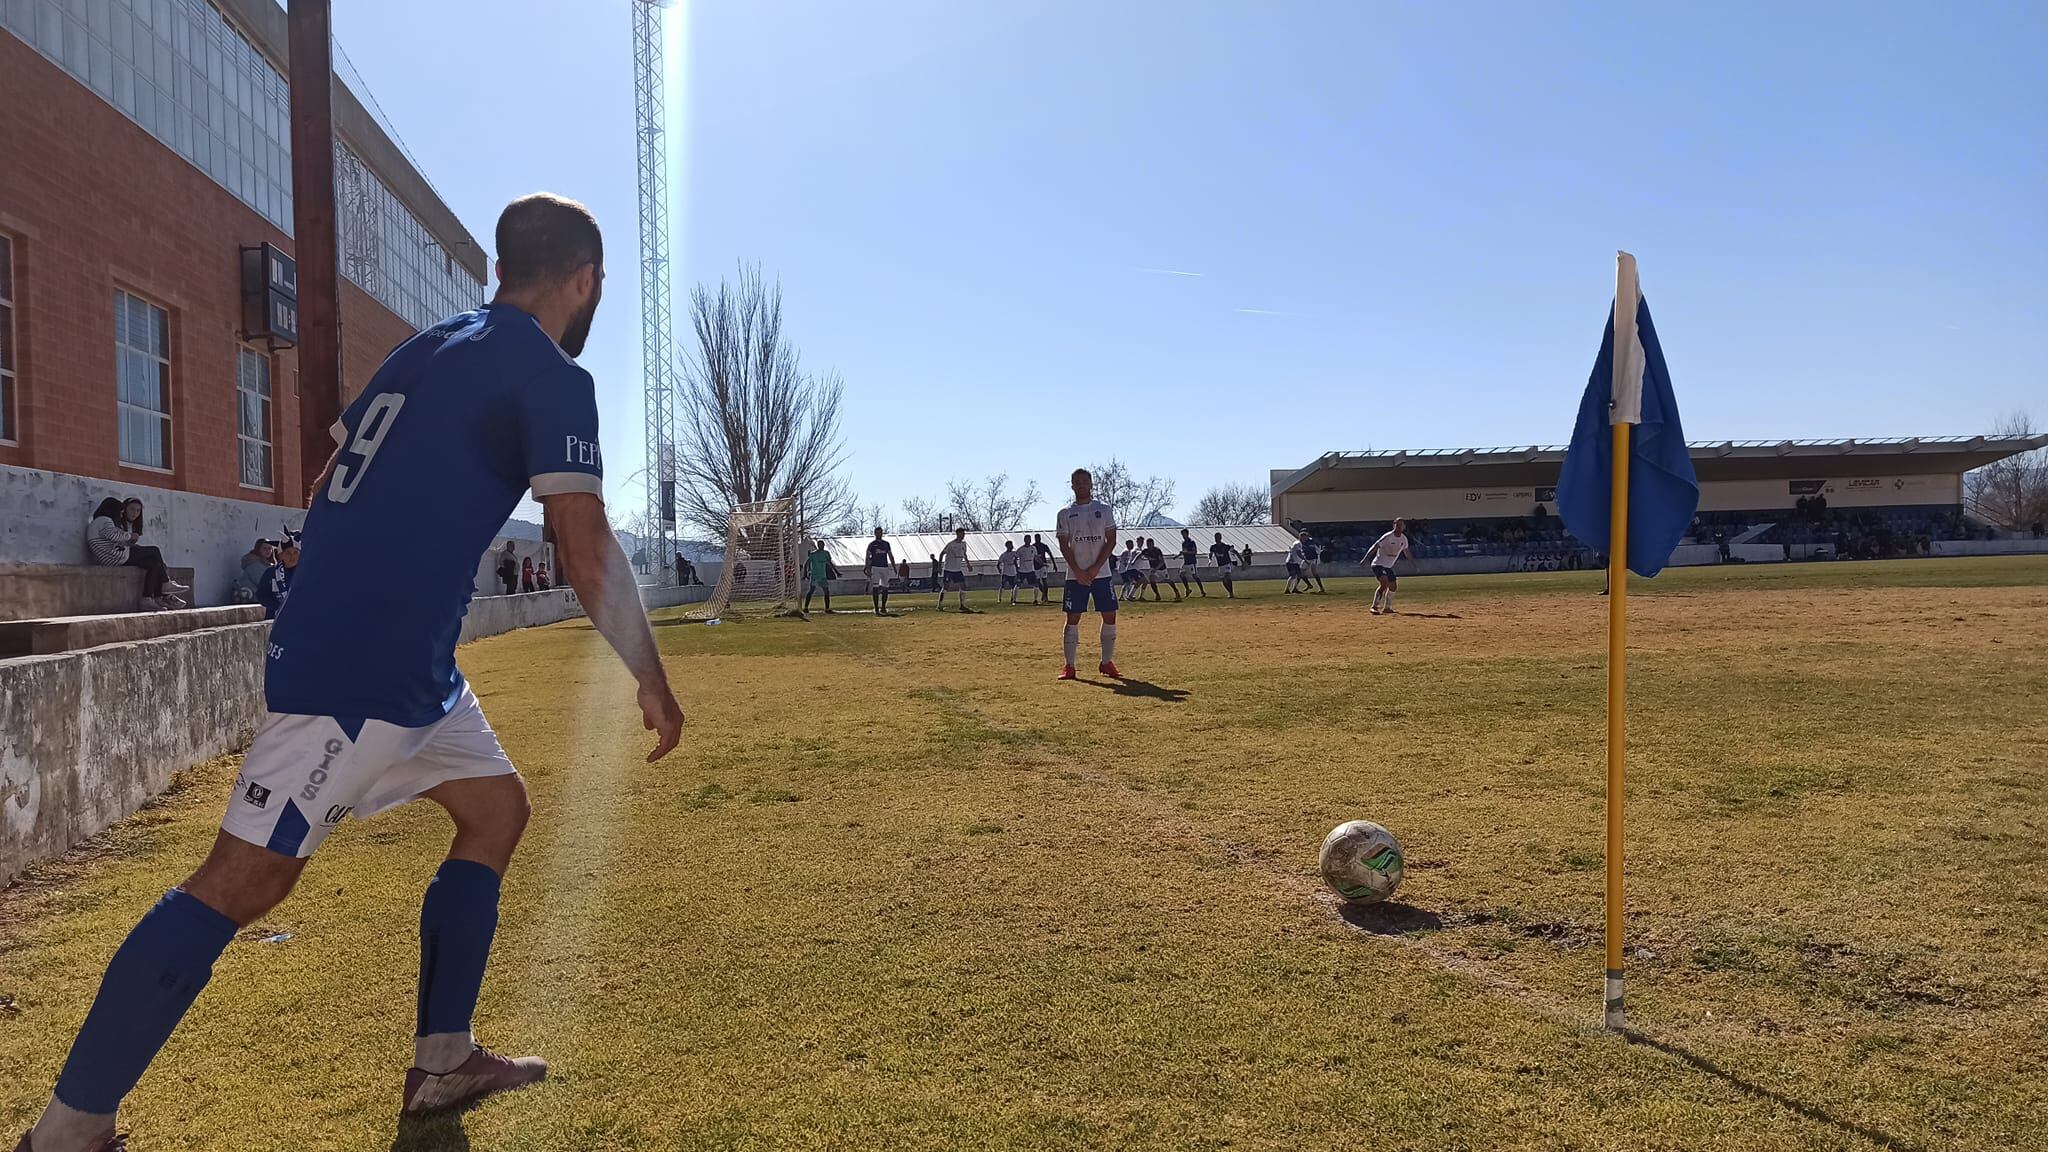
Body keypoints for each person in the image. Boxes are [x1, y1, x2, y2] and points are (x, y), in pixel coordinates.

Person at [16, 194, 686, 1152]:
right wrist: (650, 676)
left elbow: (327, 483)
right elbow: (584, 550)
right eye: (597, 289)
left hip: (409, 664)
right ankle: (66, 1135)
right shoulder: (548, 375)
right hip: (362, 669)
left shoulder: (426, 349)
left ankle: (443, 1059)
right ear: (586, 282)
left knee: (496, 811)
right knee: (239, 883)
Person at [1054, 468, 1119, 680]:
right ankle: (1069, 666)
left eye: (1084, 481)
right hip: (1076, 576)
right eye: (1077, 482)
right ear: (1072, 485)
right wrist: (1078, 571)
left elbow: (1111, 540)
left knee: (1110, 615)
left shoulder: (1104, 509)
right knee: (1073, 618)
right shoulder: (1064, 513)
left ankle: (1106, 662)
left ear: (1091, 484)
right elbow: (1064, 545)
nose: (1081, 485)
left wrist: (1095, 567)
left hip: (1102, 573)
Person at [86, 497, 188, 611]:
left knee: (154, 564)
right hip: (116, 556)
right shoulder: (104, 520)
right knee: (154, 550)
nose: (121, 516)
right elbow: (114, 535)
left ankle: (148, 599)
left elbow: (113, 537)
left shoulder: (99, 522)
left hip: (113, 556)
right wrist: (130, 536)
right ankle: (165, 585)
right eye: (120, 513)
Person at [1365, 518, 1414, 615]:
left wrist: (1412, 562)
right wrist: (1365, 558)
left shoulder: (1404, 539)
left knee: (1393, 587)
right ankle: (1374, 606)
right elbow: (1375, 546)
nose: (1399, 527)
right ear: (1394, 525)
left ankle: (1387, 607)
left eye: (1401, 525)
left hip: (1388, 566)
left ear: (1404, 527)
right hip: (1378, 564)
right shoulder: (1388, 537)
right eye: (1397, 525)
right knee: (1384, 583)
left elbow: (1406, 551)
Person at [937, 528, 971, 611]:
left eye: (964, 533)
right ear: (957, 534)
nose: (963, 535)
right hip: (949, 569)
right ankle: (939, 605)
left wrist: (968, 564)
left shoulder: (964, 544)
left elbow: (964, 554)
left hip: (957, 570)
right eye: (962, 533)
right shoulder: (951, 544)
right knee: (946, 587)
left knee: (963, 586)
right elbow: (941, 554)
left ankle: (962, 605)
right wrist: (939, 566)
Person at [233, 538, 276, 604]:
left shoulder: (269, 564)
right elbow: (262, 582)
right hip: (252, 596)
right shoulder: (254, 564)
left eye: (270, 548)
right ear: (258, 549)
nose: (268, 551)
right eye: (264, 548)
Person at [864, 528, 895, 615]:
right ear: (875, 533)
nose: (879, 534)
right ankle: (876, 608)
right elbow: (867, 556)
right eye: (877, 532)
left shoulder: (886, 544)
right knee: (875, 587)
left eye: (880, 532)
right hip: (875, 567)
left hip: (884, 567)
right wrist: (867, 568)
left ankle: (884, 607)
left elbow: (890, 555)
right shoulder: (872, 545)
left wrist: (894, 566)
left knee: (885, 587)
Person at [802, 539, 838, 614]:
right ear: (818, 546)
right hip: (815, 575)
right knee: (811, 591)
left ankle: (827, 608)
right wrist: (805, 574)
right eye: (819, 545)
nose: (821, 546)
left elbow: (830, 563)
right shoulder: (813, 554)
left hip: (822, 576)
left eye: (822, 544)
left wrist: (836, 572)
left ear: (824, 545)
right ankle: (805, 607)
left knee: (826, 591)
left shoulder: (826, 553)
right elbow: (807, 563)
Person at [1143, 537, 1178, 602]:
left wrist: (1156, 569)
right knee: (1151, 579)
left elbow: (1162, 561)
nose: (1149, 545)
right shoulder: (1146, 551)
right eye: (1148, 544)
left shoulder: (1157, 551)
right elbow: (1141, 554)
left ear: (1153, 544)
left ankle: (1176, 591)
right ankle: (1157, 595)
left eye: (1150, 544)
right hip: (1153, 568)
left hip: (1161, 568)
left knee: (1168, 580)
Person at [1176, 528, 1207, 597]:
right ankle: (1188, 589)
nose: (1183, 536)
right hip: (1186, 562)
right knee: (1181, 575)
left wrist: (1186, 552)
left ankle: (1202, 591)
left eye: (1184, 534)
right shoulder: (1184, 543)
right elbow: (1184, 551)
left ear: (1187, 534)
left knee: (1195, 576)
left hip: (1191, 562)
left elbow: (1194, 552)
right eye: (1182, 534)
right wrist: (1178, 555)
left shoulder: (1192, 542)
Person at [1209, 533, 1237, 599]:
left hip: (1227, 563)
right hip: (1220, 565)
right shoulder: (1213, 547)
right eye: (1216, 537)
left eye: (1218, 537)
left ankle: (1231, 593)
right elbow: (1210, 554)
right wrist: (1210, 560)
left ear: (1221, 538)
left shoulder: (1225, 546)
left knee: (1228, 577)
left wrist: (1242, 561)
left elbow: (1235, 552)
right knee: (1223, 580)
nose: (1217, 539)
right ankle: (1229, 592)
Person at [1029, 532, 1053, 604]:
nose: (1037, 539)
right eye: (1036, 538)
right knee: (1037, 582)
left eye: (1038, 538)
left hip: (1043, 566)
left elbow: (1050, 554)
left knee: (1044, 580)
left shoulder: (1044, 546)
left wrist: (1054, 564)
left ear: (1040, 538)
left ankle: (1046, 596)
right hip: (1036, 566)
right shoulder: (1033, 547)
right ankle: (1043, 593)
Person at [998, 539, 1022, 605]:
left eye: (1011, 545)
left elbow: (1018, 559)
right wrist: (1000, 570)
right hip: (1005, 571)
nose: (1011, 546)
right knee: (1003, 585)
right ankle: (999, 598)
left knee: (1013, 586)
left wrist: (1017, 568)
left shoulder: (1014, 553)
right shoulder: (1003, 555)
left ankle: (1013, 598)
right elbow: (998, 563)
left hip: (1013, 571)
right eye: (1010, 545)